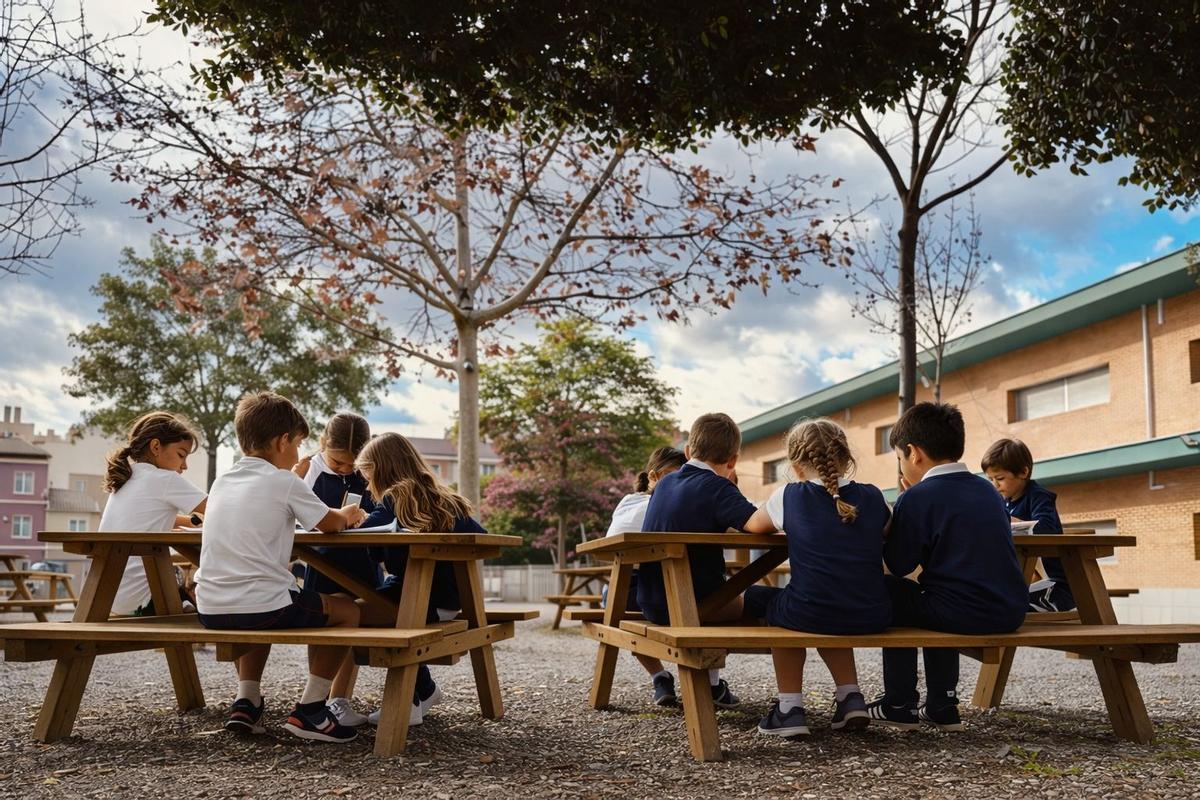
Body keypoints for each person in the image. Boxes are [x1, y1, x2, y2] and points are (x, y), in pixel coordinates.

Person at [195, 392, 366, 743]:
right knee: (349, 611)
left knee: (261, 601)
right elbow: (330, 524)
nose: (299, 454)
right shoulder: (284, 480)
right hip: (262, 605)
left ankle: (247, 700)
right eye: (298, 444)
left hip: (210, 607)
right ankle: (312, 710)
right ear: (283, 440)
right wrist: (348, 514)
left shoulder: (222, 481)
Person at [866, 402, 1027, 731]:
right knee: (934, 595)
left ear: (913, 453)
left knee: (891, 592)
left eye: (899, 459)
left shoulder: (918, 497)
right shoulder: (988, 490)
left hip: (962, 612)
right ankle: (943, 703)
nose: (901, 467)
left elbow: (898, 565)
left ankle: (899, 702)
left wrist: (903, 512)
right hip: (1009, 610)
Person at [742, 419, 890, 737]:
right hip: (872, 612)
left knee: (777, 609)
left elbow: (754, 526)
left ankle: (789, 709)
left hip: (814, 610)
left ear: (796, 466)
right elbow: (887, 528)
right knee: (828, 601)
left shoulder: (789, 496)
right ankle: (850, 698)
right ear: (847, 459)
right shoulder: (873, 496)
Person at [350, 432, 485, 727]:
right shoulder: (446, 499)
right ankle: (425, 690)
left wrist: (357, 519)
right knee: (367, 611)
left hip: (421, 599)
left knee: (350, 615)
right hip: (450, 599)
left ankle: (407, 701)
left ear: (382, 471)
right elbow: (482, 538)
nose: (368, 484)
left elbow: (368, 546)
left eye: (368, 476)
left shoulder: (392, 499)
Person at [637, 413, 758, 708]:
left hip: (651, 601)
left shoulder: (665, 485)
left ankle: (714, 685)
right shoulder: (718, 487)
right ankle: (787, 702)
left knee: (728, 590)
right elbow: (757, 524)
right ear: (733, 460)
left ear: (689, 451)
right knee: (772, 601)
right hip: (691, 605)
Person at [294, 411, 379, 725]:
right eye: (337, 462)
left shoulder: (371, 469)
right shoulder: (307, 469)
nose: (345, 469)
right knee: (320, 628)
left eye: (351, 465)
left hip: (363, 560)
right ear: (322, 445)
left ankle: (339, 699)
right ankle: (317, 695)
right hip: (322, 559)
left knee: (353, 625)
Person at [101, 412, 208, 617]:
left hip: (108, 597)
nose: (184, 466)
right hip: (144, 599)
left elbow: (148, 519)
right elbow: (223, 510)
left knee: (188, 599)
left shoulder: (125, 480)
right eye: (181, 454)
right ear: (156, 447)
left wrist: (192, 522)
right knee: (214, 608)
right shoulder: (164, 479)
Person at [604, 446, 687, 706]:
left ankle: (662, 677)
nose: (678, 483)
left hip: (646, 588)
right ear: (654, 476)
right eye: (673, 476)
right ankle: (677, 678)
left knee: (613, 605)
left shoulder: (630, 502)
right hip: (641, 587)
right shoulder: (639, 503)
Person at [981, 438, 1075, 613]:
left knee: (1007, 605)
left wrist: (1013, 523)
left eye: (1000, 478)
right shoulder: (1004, 502)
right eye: (991, 479)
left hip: (1058, 585)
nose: (995, 486)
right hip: (1026, 580)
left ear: (1023, 472)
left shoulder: (1039, 497)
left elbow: (1046, 529)